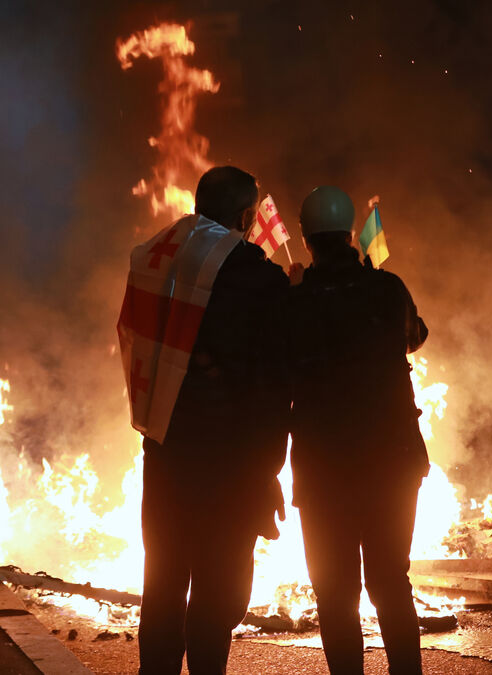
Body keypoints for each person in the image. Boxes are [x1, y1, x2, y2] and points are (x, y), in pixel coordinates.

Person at [117, 166, 290, 675]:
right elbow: (271, 387)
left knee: (164, 581)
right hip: (228, 464)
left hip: (165, 450)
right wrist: (266, 473)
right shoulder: (256, 276)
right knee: (220, 591)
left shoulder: (155, 257)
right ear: (246, 215)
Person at [284, 186, 429, 675]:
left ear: (307, 240)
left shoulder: (295, 302)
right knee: (390, 582)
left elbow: (278, 366)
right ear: (350, 235)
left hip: (324, 469)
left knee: (335, 593)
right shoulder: (387, 288)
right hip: (393, 461)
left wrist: (296, 293)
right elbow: (415, 336)